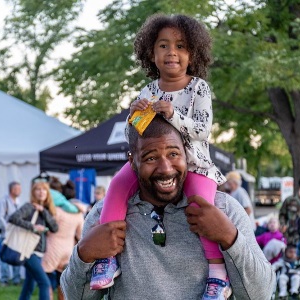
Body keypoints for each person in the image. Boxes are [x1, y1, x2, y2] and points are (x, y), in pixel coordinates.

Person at [60, 114, 275, 299]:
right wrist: (84, 254)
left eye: (173, 154)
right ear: (133, 161)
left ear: (186, 154)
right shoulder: (104, 215)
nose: (165, 168)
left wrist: (230, 238)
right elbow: (75, 297)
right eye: (151, 157)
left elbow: (260, 295)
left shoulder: (224, 209)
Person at [90, 14, 228, 298]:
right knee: (117, 185)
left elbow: (202, 130)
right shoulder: (149, 90)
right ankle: (107, 259)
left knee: (201, 205)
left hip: (194, 164)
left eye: (180, 46)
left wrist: (172, 114)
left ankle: (217, 273)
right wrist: (134, 115)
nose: (171, 53)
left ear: (193, 53)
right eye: (163, 46)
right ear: (151, 55)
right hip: (153, 161)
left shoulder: (198, 88)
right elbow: (139, 134)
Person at [8, 181, 58, 300]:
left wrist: (43, 211)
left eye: (44, 190)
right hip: (29, 251)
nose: (41, 192)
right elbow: (13, 218)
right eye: (38, 190)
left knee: (29, 285)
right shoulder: (29, 207)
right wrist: (33, 227)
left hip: (39, 252)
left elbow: (55, 228)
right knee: (44, 283)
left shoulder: (45, 210)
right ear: (33, 192)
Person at [42, 184, 84, 300]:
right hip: (68, 249)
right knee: (63, 282)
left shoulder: (56, 211)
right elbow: (81, 235)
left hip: (52, 248)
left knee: (47, 281)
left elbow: (48, 229)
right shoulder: (78, 212)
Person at [0, 181, 22, 286]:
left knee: (16, 256)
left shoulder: (18, 202)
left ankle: (16, 279)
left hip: (17, 233)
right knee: (4, 257)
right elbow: (0, 217)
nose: (19, 191)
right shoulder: (3, 201)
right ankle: (4, 279)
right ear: (12, 190)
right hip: (6, 234)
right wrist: (7, 229)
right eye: (17, 189)